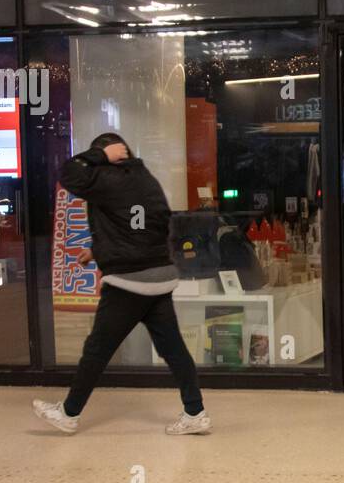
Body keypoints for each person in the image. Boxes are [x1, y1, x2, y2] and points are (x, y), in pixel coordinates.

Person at [32, 133, 211, 436]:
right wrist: (100, 249)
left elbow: (68, 173)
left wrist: (99, 156)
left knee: (97, 350)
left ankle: (68, 413)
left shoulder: (107, 178)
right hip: (159, 278)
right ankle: (195, 412)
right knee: (173, 349)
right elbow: (147, 225)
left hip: (129, 282)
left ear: (110, 155)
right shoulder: (147, 180)